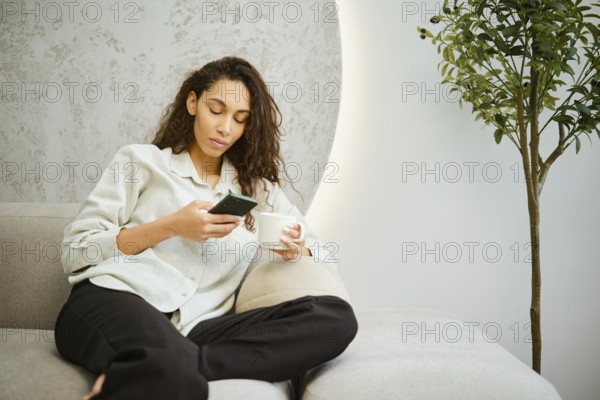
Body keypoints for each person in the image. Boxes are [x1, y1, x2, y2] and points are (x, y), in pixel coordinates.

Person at [54, 56, 358, 400]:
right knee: (182, 380)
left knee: (336, 319)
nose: (226, 128)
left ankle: (164, 365)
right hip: (116, 299)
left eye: (239, 119)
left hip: (194, 330)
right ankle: (168, 365)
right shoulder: (140, 162)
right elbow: (77, 250)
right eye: (217, 110)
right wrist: (172, 226)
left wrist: (298, 249)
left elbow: (323, 255)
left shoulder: (256, 191)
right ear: (193, 102)